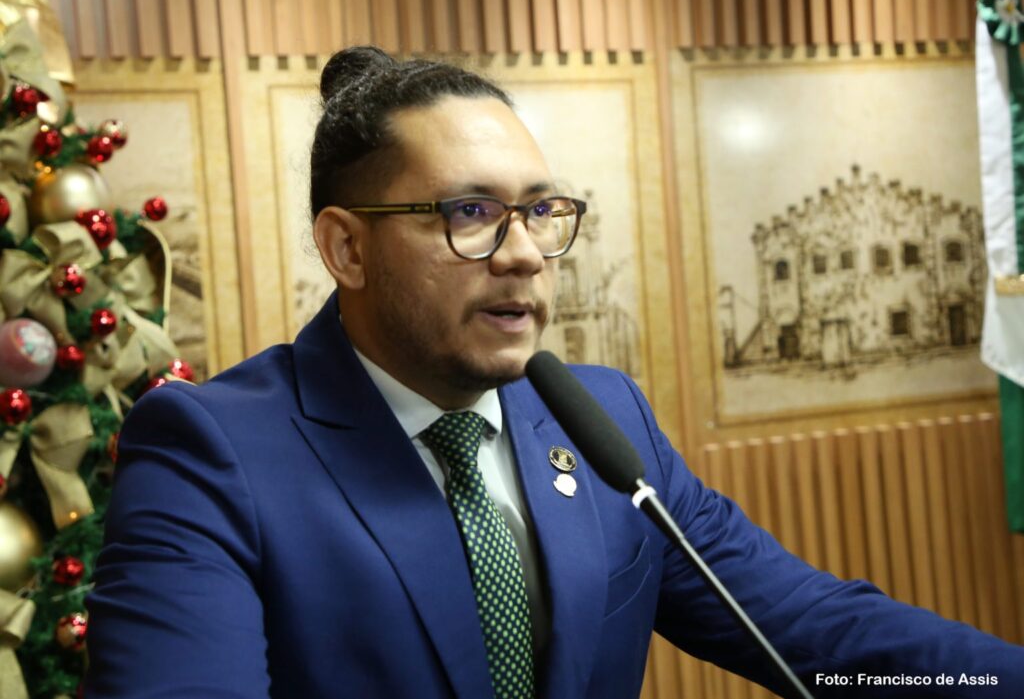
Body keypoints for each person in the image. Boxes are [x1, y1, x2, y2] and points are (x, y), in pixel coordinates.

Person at [84, 47, 1023, 699]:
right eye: (470, 213)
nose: (525, 253)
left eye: (540, 212)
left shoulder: (600, 418)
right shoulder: (211, 454)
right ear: (347, 248)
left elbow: (820, 630)